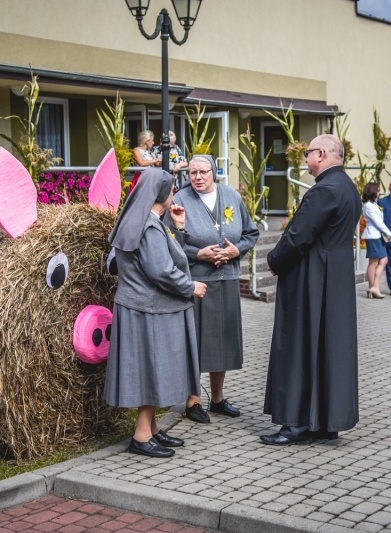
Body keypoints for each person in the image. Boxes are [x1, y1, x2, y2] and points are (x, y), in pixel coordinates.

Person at [261, 134, 361, 445]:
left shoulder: (323, 190)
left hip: (311, 278)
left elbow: (298, 236)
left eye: (308, 154)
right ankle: (325, 421)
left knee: (299, 346)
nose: (305, 161)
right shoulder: (348, 188)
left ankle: (295, 425)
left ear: (321, 154)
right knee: (328, 348)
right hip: (336, 279)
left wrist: (274, 260)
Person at [104, 167, 207, 458]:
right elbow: (161, 271)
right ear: (163, 194)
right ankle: (141, 435)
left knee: (151, 369)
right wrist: (191, 287)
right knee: (151, 370)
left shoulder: (143, 221)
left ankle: (151, 429)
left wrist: (179, 228)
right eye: (172, 188)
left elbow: (168, 256)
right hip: (147, 309)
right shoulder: (148, 227)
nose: (174, 192)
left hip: (142, 306)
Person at [170, 154, 259, 424]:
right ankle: (193, 400)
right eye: (193, 172)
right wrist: (199, 254)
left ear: (214, 172)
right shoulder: (180, 201)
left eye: (203, 172)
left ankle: (218, 399)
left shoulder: (232, 196)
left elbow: (250, 234)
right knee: (196, 340)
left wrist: (235, 250)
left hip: (227, 278)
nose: (197, 177)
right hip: (197, 281)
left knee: (221, 341)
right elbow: (170, 240)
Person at [361, 182, 391, 299]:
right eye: (378, 190)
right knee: (375, 262)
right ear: (373, 191)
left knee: (381, 261)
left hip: (376, 236)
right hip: (373, 236)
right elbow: (378, 222)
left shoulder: (372, 204)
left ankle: (373, 287)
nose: (379, 192)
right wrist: (389, 233)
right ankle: (374, 287)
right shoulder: (369, 206)